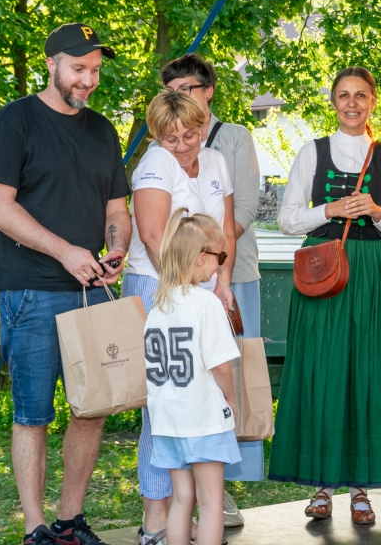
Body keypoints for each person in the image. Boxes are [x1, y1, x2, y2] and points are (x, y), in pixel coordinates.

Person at [0, 23, 131, 545]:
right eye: (78, 69)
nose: (88, 80)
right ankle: (35, 528)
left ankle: (69, 521)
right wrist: (65, 251)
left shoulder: (103, 130)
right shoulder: (16, 120)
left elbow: (117, 209)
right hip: (31, 289)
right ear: (52, 64)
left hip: (91, 293)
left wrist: (116, 248)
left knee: (93, 408)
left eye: (95, 70)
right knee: (33, 415)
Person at [268, 66, 381, 525]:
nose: (352, 103)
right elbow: (286, 219)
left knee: (367, 373)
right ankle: (320, 485)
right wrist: (330, 209)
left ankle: (360, 489)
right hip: (322, 268)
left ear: (373, 101)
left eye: (361, 95)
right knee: (323, 370)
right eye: (343, 95)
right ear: (333, 102)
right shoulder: (311, 152)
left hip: (371, 273)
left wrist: (374, 210)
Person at [124, 90, 237, 544]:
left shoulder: (216, 161)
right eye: (171, 138)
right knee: (164, 405)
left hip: (203, 280)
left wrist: (221, 280)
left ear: (203, 126)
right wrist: (180, 285)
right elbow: (154, 236)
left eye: (191, 135)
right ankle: (156, 516)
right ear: (156, 135)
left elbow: (226, 230)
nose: (183, 145)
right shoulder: (155, 163)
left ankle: (177, 519)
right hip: (160, 282)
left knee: (188, 399)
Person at [159, 53, 264, 528]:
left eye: (186, 88)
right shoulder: (166, 141)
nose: (179, 96)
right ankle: (203, 493)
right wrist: (190, 266)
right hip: (187, 276)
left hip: (231, 271)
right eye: (171, 90)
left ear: (208, 91)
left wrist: (214, 259)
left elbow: (243, 209)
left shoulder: (233, 137)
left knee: (232, 366)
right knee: (197, 376)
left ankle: (226, 487)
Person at [145, 208, 241, 545]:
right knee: (211, 499)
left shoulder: (158, 306)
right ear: (201, 258)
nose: (220, 264)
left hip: (167, 421)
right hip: (203, 418)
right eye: (220, 257)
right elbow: (220, 366)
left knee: (182, 498)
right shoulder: (205, 304)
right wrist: (231, 399)